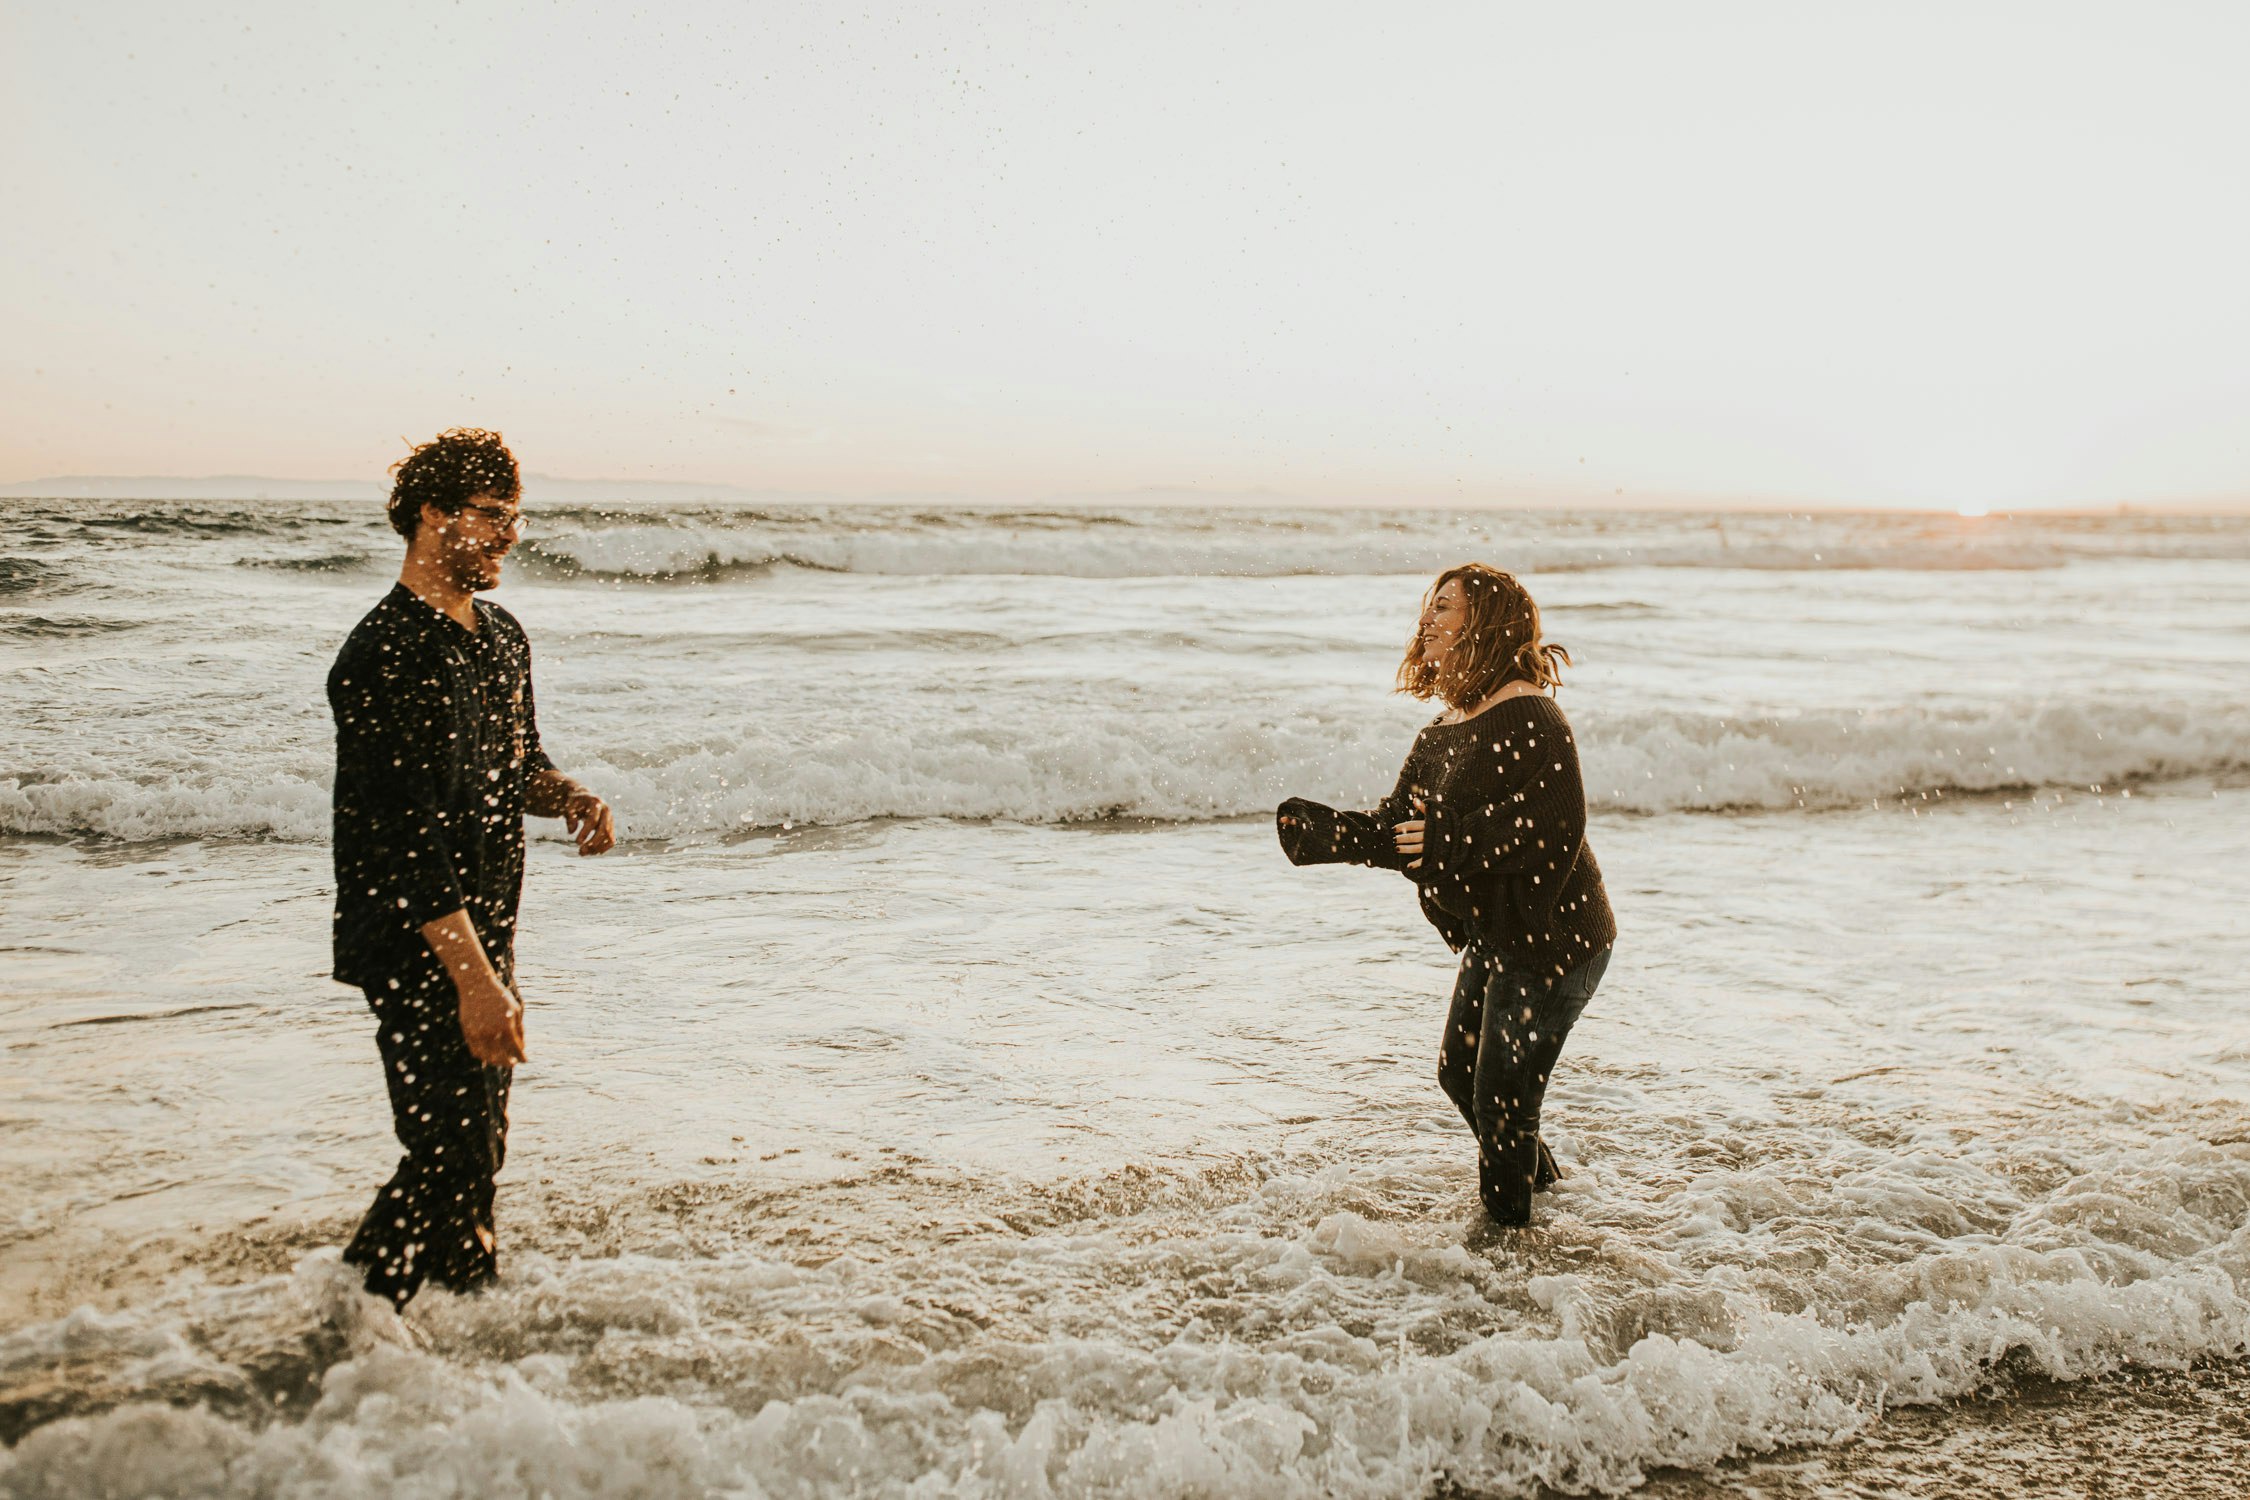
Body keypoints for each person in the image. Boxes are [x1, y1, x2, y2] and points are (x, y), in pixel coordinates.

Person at [327, 427, 615, 1308]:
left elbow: (518, 761)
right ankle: (366, 1319)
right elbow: (401, 837)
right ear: (431, 515)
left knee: (474, 1146)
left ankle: (431, 1319)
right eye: (491, 516)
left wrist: (568, 794)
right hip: (416, 940)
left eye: (514, 518)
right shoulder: (382, 654)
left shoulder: (500, 635)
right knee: (448, 1149)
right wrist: (475, 982)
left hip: (485, 930)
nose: (509, 536)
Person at [1277, 564, 1615, 1228]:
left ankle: (1510, 1257)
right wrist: (1333, 836)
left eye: (1443, 607)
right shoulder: (1444, 730)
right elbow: (1403, 831)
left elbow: (1554, 829)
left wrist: (1451, 840)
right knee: (1462, 1076)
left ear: (1483, 624)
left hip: (1557, 936)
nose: (1426, 620)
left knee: (1501, 1098)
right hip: (1500, 935)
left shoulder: (1531, 714)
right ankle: (1547, 1197)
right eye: (1427, 607)